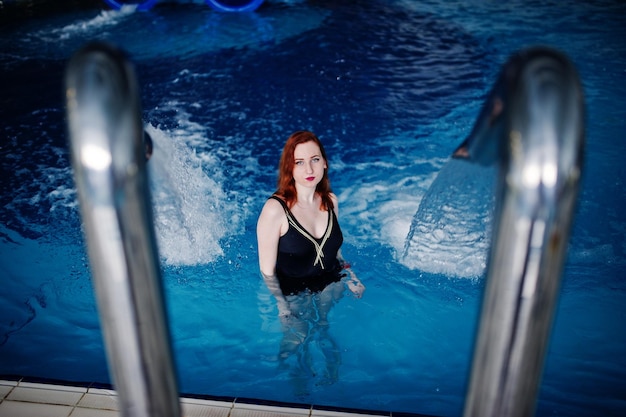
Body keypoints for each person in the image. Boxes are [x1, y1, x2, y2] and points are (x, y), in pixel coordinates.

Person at [256, 130, 364, 395]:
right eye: (300, 162)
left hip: (329, 281)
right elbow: (267, 270)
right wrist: (281, 306)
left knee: (323, 325)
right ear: (289, 167)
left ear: (325, 163)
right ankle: (297, 384)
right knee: (298, 336)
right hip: (292, 288)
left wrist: (352, 277)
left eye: (315, 159)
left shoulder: (331, 201)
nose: (309, 168)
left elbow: (334, 250)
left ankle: (331, 382)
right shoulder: (275, 210)